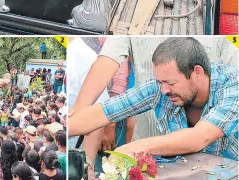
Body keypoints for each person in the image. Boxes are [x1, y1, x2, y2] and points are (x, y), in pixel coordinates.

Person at [69, 37, 238, 161]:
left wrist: (136, 147)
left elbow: (201, 137)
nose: (164, 90)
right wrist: (58, 128)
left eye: (171, 83)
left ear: (197, 73)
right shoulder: (160, 87)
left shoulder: (232, 85)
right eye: (160, 82)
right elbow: (105, 112)